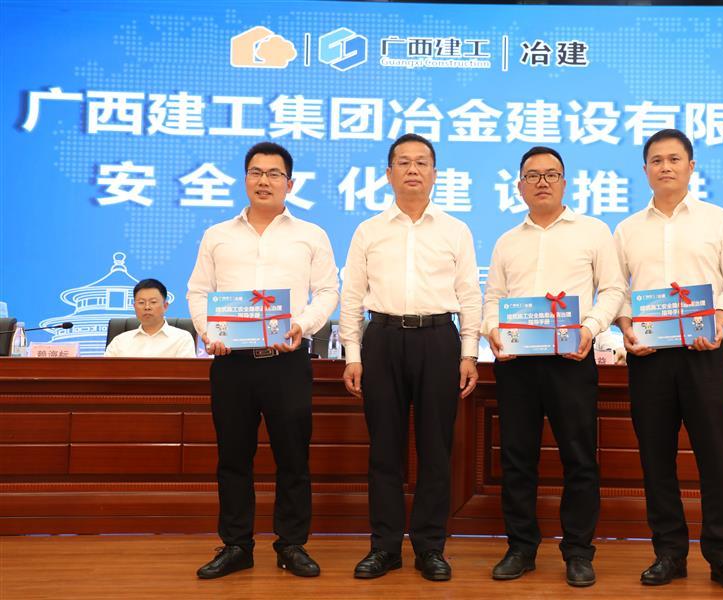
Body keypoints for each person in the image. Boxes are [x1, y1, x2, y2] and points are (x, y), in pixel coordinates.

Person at [187, 141, 339, 579]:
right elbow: (198, 291)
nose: (264, 181)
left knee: (293, 457)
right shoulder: (218, 235)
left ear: (290, 183)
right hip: (231, 364)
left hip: (286, 360)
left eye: (274, 174)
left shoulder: (311, 234)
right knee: (233, 458)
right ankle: (237, 545)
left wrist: (303, 324)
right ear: (245, 179)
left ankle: (291, 545)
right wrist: (208, 331)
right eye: (256, 172)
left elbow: (327, 291)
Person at [613, 129, 723, 595]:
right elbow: (616, 291)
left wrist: (719, 320)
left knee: (715, 460)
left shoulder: (717, 220)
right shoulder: (627, 229)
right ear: (645, 170)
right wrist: (626, 327)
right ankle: (668, 554)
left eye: (675, 159)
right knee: (656, 461)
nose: (666, 167)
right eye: (656, 160)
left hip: (704, 355)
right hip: (650, 358)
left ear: (692, 167)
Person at [339, 133, 481, 582]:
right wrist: (352, 354)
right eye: (403, 162)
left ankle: (430, 547)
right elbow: (352, 295)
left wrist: (470, 353)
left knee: (436, 449)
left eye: (422, 162)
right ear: (389, 174)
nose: (413, 169)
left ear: (435, 174)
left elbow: (469, 295)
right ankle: (384, 547)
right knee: (384, 450)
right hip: (382, 338)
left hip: (439, 339)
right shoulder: (369, 230)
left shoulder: (455, 230)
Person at [483, 146, 626, 588]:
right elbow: (493, 299)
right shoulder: (507, 241)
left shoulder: (593, 231)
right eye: (533, 175)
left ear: (565, 182)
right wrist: (492, 330)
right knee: (517, 459)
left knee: (579, 458)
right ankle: (521, 548)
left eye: (551, 174)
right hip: (517, 364)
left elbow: (613, 289)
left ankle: (578, 551)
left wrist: (590, 327)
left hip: (571, 360)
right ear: (519, 186)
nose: (542, 181)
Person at [104, 278, 196, 358]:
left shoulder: (182, 339)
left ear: (165, 306)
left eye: (153, 302)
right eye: (141, 302)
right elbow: (103, 370)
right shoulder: (120, 341)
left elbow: (186, 371)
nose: (147, 307)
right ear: (134, 306)